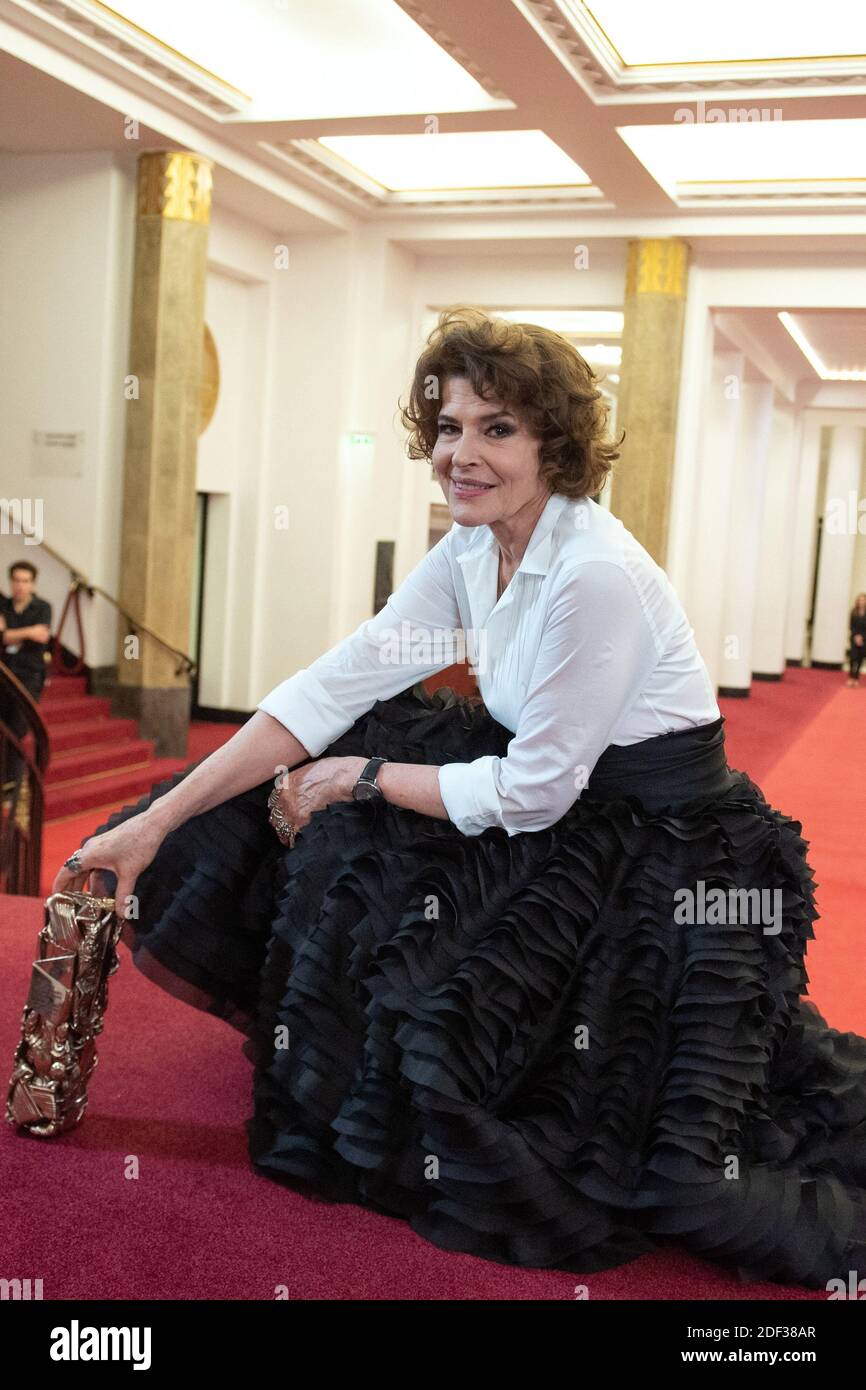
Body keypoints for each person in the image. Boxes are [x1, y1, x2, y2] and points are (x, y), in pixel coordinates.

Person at [52, 307, 866, 1291]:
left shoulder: (594, 574)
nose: (460, 454)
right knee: (283, 802)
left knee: (686, 1177)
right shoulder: (470, 552)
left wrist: (357, 778)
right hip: (559, 802)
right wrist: (157, 818)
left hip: (662, 848)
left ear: (553, 446)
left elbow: (530, 790)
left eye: (496, 429)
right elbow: (330, 687)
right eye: (447, 426)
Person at [0, 560, 52, 790]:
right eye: (17, 580)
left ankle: (12, 784)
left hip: (29, 676)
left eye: (25, 581)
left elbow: (41, 636)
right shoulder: (3, 604)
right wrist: (28, 632)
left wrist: (11, 633)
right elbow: (2, 638)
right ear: (11, 582)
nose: (20, 585)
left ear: (32, 584)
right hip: (5, 673)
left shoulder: (42, 607)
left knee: (18, 727)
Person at [846, 592, 866, 687]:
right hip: (854, 638)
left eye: (863, 600)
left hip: (864, 639)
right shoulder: (853, 612)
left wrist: (862, 637)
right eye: (860, 600)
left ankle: (856, 678)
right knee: (853, 658)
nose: (861, 602)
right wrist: (856, 636)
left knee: (860, 659)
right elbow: (851, 626)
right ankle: (851, 677)